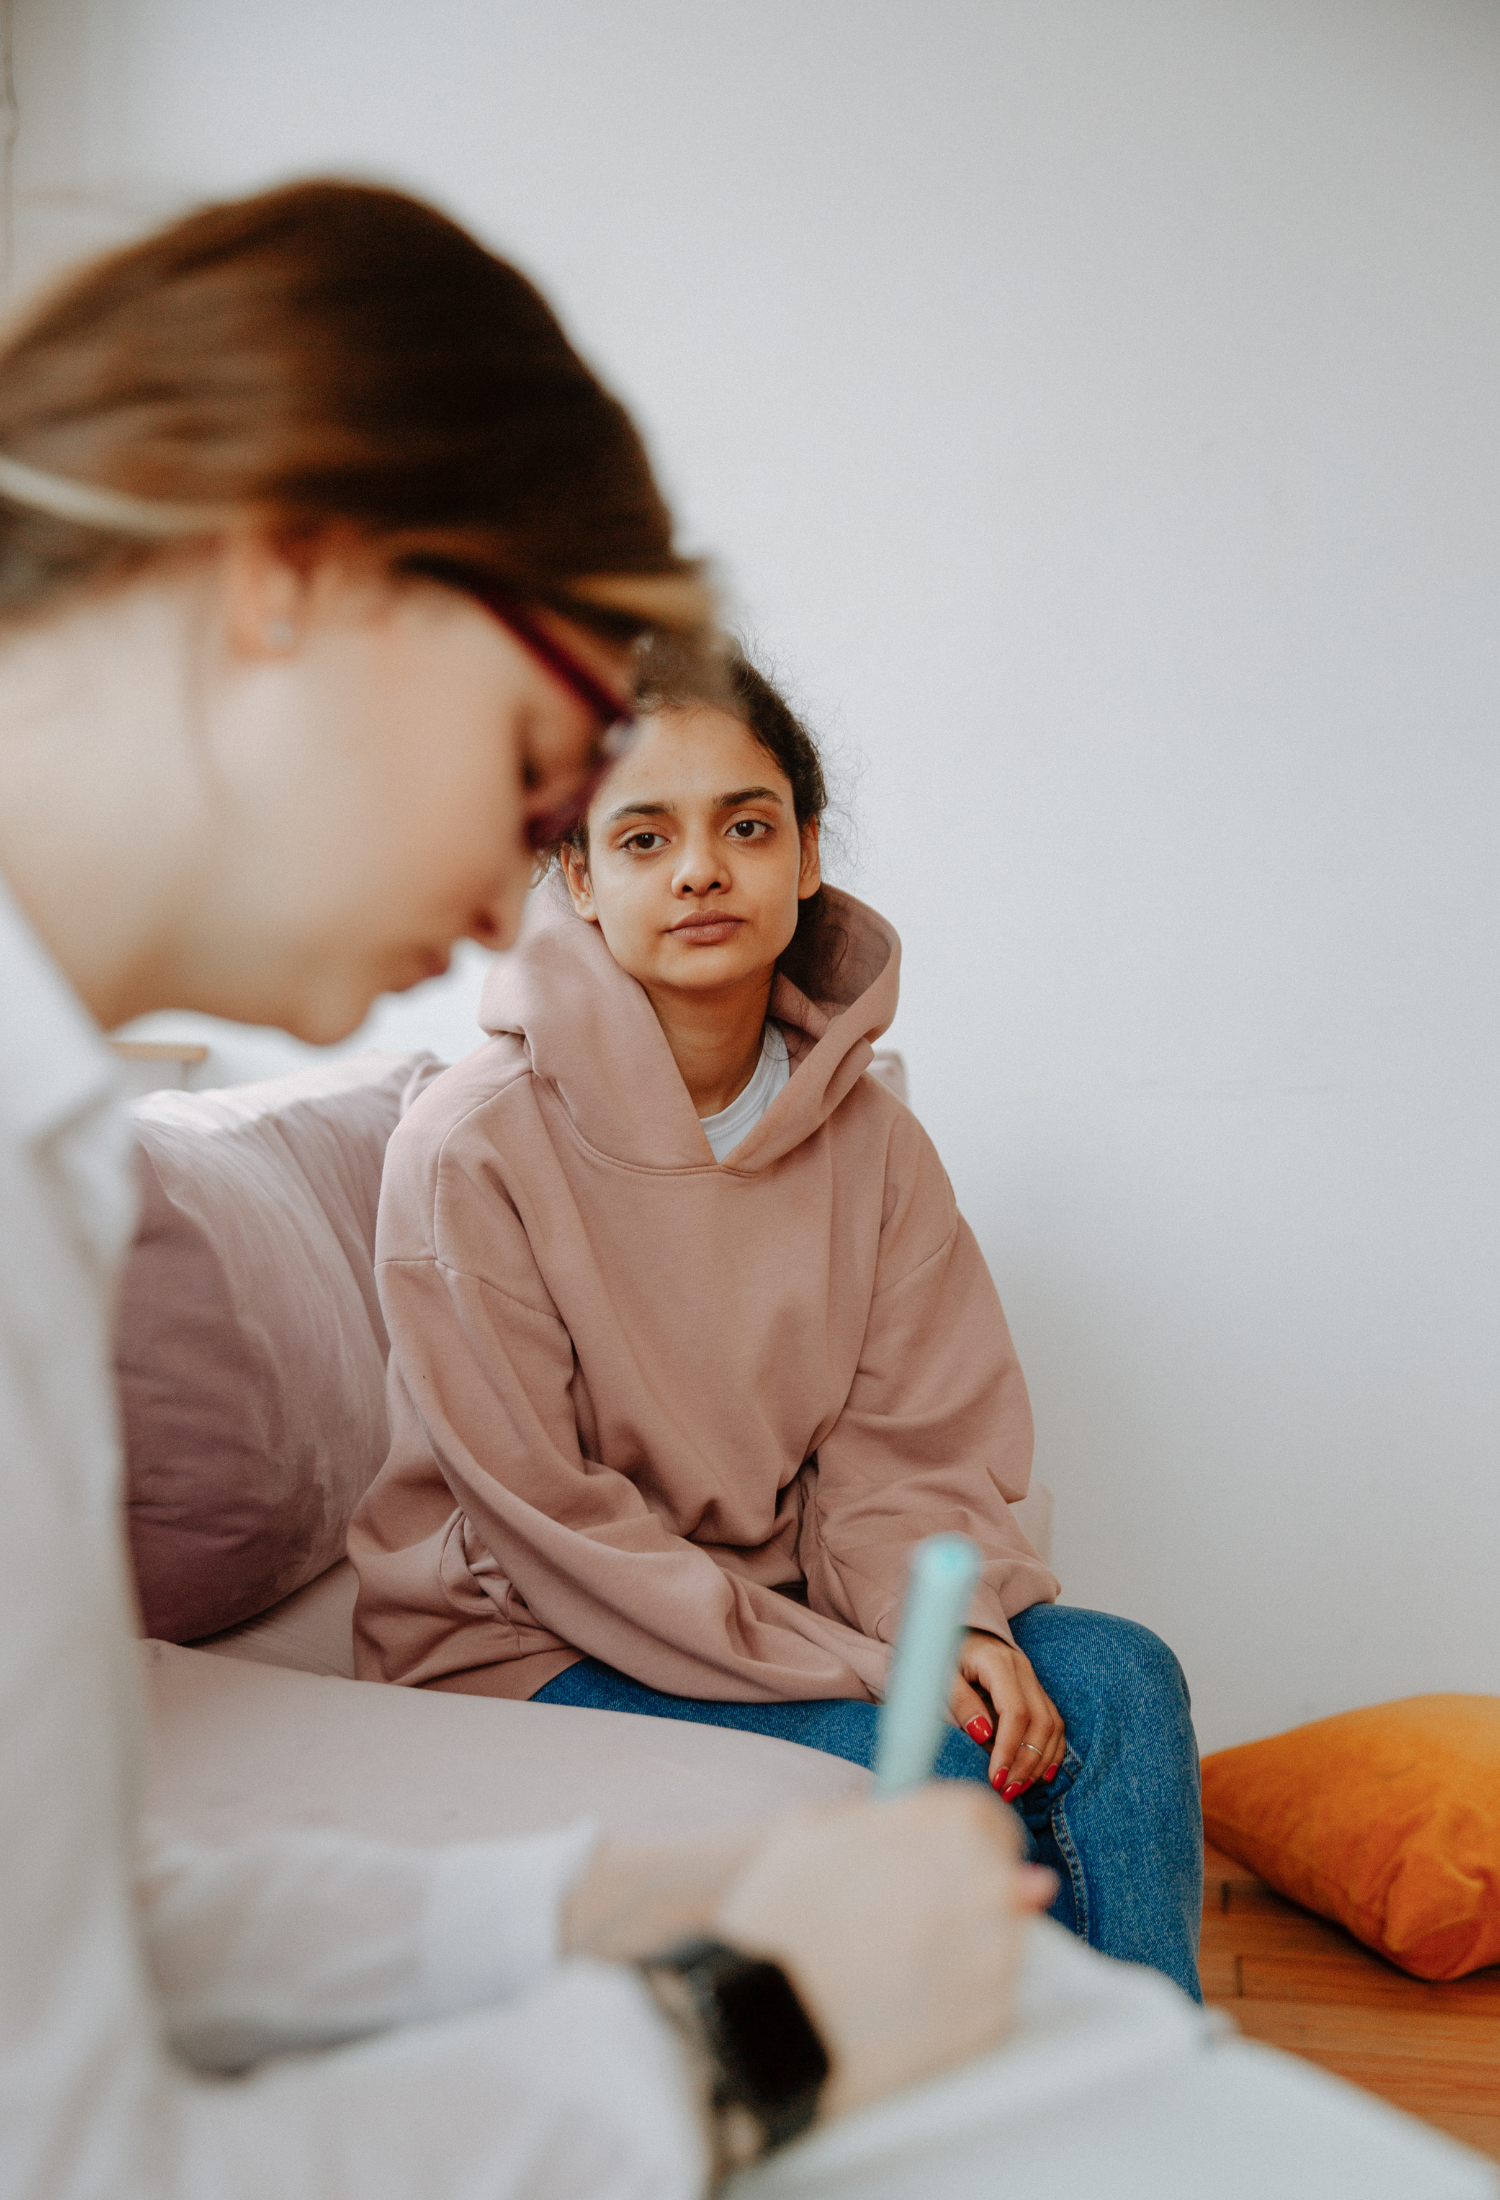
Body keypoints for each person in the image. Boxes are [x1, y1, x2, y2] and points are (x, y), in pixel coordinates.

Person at [0, 180, 1054, 2200]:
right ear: (292, 575)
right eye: (541, 768)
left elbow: (61, 1911)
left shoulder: (47, 1162)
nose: (536, 883)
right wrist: (747, 2026)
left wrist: (598, 1900)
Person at [349, 647, 1205, 2002]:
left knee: (1119, 1684)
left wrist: (963, 1629)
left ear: (806, 854)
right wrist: (882, 1672)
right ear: (577, 875)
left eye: (745, 826)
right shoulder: (468, 1150)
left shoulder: (874, 1145)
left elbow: (906, 1456)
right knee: (936, 1764)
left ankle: (1151, 2116)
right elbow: (551, 1524)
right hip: (534, 1644)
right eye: (644, 835)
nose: (701, 869)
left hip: (789, 1606)